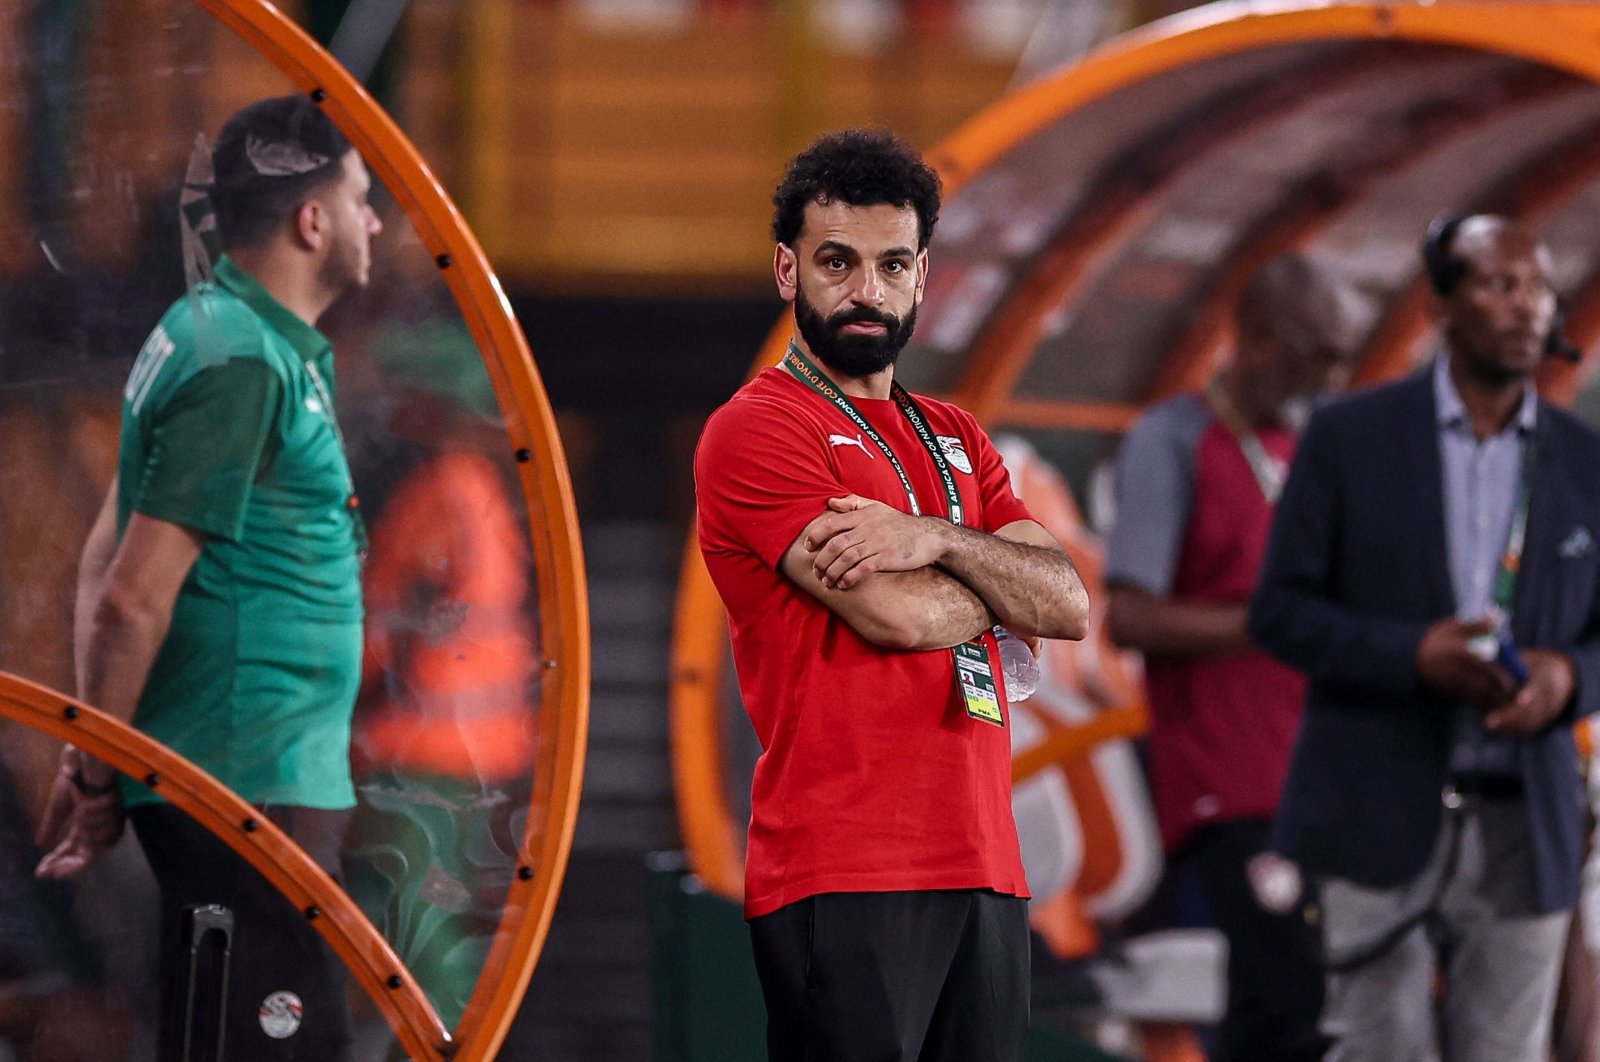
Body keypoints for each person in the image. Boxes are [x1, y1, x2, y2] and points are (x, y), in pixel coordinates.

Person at [694, 129, 1091, 1061]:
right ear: (788, 271)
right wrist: (993, 570)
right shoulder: (757, 429)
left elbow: (1069, 602)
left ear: (922, 279)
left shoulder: (956, 432)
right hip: (842, 868)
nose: (866, 290)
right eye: (838, 262)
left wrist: (934, 540)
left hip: (987, 866)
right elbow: (897, 615)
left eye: (891, 264)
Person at [33, 95, 381, 1060]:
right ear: (312, 221)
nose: (376, 221)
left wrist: (96, 753)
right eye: (360, 198)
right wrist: (98, 767)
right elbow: (131, 592)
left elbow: (106, 550)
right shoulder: (239, 361)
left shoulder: (224, 337)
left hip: (252, 783)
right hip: (243, 787)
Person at [1250, 214, 1600, 1062]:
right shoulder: (1348, 437)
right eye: (1499, 284)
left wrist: (1567, 679)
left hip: (1528, 821)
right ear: (1442, 305)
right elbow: (1280, 613)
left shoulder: (1588, 460)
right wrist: (1412, 657)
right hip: (1375, 806)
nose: (1527, 309)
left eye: (1540, 288)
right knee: (1381, 1050)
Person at [1104, 252, 1357, 1061]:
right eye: (1314, 353)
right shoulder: (1172, 439)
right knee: (1288, 991)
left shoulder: (1313, 440)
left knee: (1317, 998)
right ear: (1254, 338)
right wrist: (1269, 624)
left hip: (1325, 769)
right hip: (1231, 778)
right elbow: (1127, 616)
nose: (1329, 375)